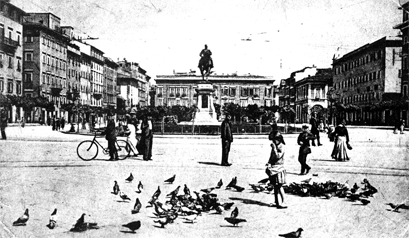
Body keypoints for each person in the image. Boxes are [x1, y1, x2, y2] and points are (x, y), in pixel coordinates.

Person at [265, 133, 287, 209]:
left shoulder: (282, 146)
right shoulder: (275, 145)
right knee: (275, 185)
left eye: (275, 140)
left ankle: (284, 202)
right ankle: (276, 201)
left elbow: (278, 156)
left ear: (279, 139)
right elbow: (271, 156)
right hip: (273, 167)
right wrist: (269, 163)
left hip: (279, 168)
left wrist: (274, 148)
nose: (274, 141)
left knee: (279, 185)